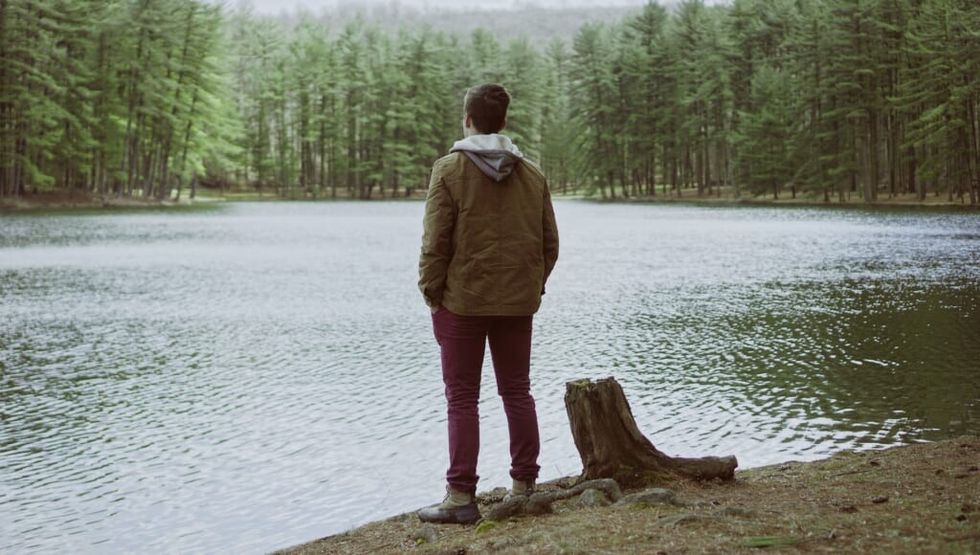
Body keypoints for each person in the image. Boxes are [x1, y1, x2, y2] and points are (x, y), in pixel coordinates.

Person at [417, 83, 559, 524]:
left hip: (462, 304)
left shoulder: (449, 170)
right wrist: (529, 288)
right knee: (517, 391)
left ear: (468, 119)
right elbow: (549, 244)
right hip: (516, 305)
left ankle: (461, 498)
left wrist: (432, 294)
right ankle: (524, 487)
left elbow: (435, 244)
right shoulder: (532, 174)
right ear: (503, 122)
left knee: (462, 399)